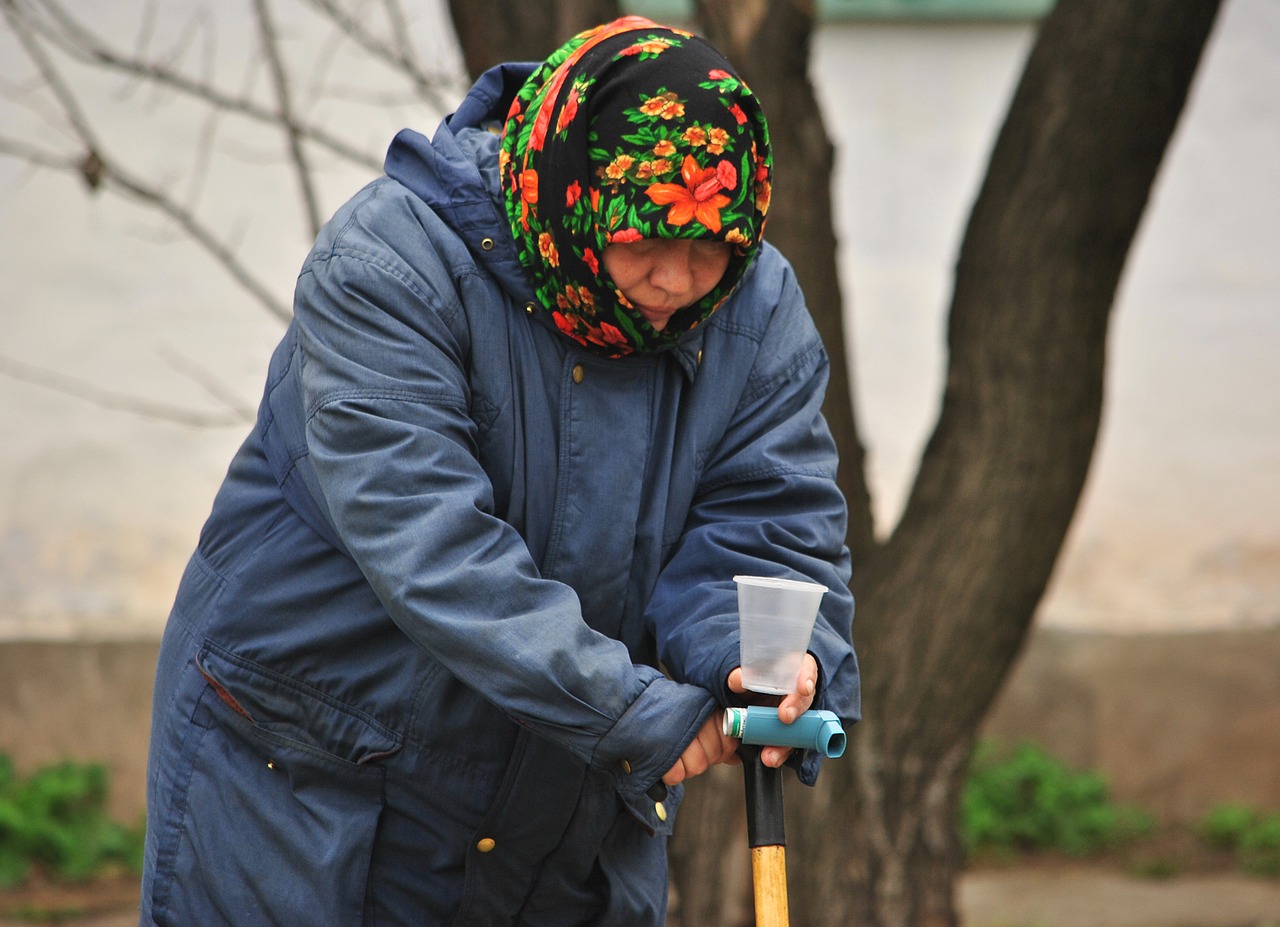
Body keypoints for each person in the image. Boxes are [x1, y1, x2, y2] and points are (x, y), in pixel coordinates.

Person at [140, 15, 858, 927]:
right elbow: (432, 548)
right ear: (573, 190)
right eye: (644, 238)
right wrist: (643, 716)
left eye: (710, 246)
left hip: (555, 807)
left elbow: (765, 522)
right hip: (310, 781)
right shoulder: (390, 266)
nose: (677, 281)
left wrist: (766, 663)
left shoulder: (755, 308)